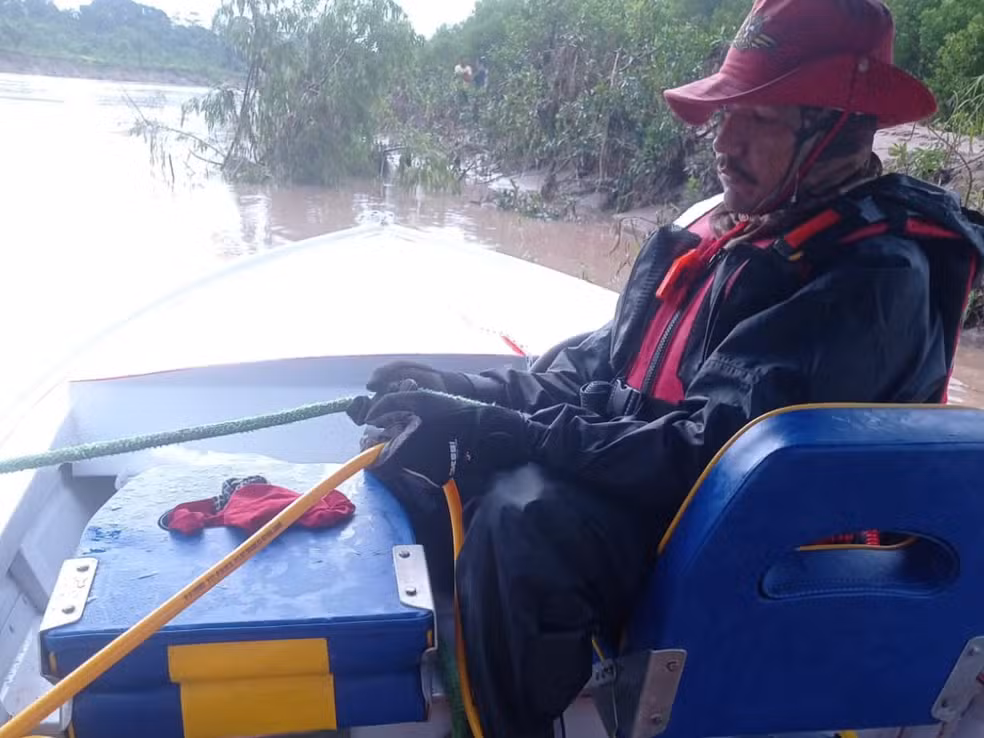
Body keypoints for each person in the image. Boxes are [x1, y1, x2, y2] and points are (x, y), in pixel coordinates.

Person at [347, 0, 984, 735]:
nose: (725, 141)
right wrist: (461, 394)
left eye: (758, 118)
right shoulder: (728, 229)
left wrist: (513, 432)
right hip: (664, 493)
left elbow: (708, 453)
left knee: (524, 522)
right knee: (423, 467)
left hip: (750, 542)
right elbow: (599, 369)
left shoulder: (869, 283)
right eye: (726, 115)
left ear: (837, 128)